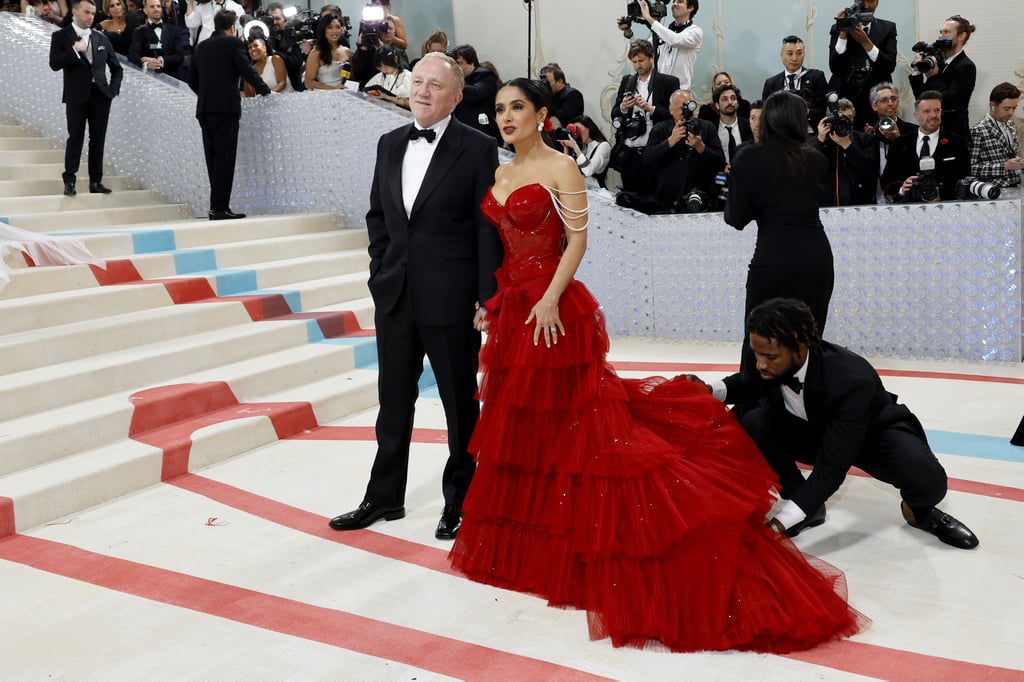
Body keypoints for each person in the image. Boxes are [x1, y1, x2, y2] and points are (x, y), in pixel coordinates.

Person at [448, 77, 864, 654]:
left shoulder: (561, 169)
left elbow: (575, 243)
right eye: (498, 109)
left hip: (553, 308)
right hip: (513, 307)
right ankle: (544, 527)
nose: (506, 116)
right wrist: (491, 304)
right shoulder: (498, 174)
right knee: (526, 421)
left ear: (542, 113)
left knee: (575, 417)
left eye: (517, 106)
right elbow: (502, 246)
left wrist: (547, 297)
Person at [327, 53, 503, 541]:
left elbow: (486, 230)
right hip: (396, 295)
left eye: (435, 85)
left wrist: (486, 297)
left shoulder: (478, 148)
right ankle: (383, 496)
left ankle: (461, 500)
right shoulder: (388, 143)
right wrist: (379, 273)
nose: (422, 92)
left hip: (451, 298)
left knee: (458, 404)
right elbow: (378, 218)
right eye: (417, 82)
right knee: (393, 402)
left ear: (456, 96)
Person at [709, 297, 979, 549]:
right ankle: (806, 503)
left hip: (873, 436)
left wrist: (780, 523)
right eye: (757, 355)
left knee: (928, 479)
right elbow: (748, 382)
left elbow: (833, 465)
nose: (760, 364)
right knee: (752, 420)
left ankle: (920, 512)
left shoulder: (851, 378)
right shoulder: (769, 359)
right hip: (812, 431)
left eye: (769, 358)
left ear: (800, 348)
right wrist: (709, 389)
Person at [725, 91, 833, 346]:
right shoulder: (817, 159)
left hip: (773, 258)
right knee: (807, 341)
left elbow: (736, 218)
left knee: (761, 342)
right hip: (816, 259)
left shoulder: (747, 157)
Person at [186, 8, 271, 220]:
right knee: (225, 158)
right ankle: (220, 208)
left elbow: (191, 80)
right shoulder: (232, 43)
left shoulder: (201, 47)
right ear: (233, 27)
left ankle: (216, 207)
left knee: (213, 159)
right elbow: (247, 71)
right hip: (226, 108)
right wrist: (266, 91)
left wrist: (206, 95)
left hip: (204, 109)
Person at [49, 0, 123, 197]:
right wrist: (74, 50)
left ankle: (96, 181)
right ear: (74, 12)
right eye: (86, 12)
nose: (91, 16)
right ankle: (70, 180)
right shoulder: (60, 36)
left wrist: (112, 90)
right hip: (76, 95)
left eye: (93, 13)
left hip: (101, 96)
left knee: (98, 139)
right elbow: (54, 64)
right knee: (75, 137)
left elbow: (117, 68)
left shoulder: (101, 39)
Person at [610, 39, 679, 193]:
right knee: (630, 197)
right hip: (630, 151)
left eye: (641, 60)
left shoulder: (668, 82)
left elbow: (674, 116)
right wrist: (623, 107)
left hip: (657, 151)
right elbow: (614, 113)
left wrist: (650, 108)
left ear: (651, 57)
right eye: (634, 61)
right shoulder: (627, 81)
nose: (638, 65)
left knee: (655, 198)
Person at [641, 88, 725, 213]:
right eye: (682, 108)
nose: (686, 111)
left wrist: (701, 147)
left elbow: (720, 162)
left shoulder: (707, 128)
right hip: (664, 203)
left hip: (699, 201)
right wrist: (670, 141)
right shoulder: (660, 129)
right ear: (671, 110)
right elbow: (647, 160)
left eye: (689, 106)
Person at [879, 91, 970, 202]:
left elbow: (966, 179)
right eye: (926, 111)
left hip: (946, 209)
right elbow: (886, 182)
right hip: (908, 210)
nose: (933, 115)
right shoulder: (900, 143)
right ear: (916, 115)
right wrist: (902, 189)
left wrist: (943, 194)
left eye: (937, 110)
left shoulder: (957, 143)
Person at [826, 0, 897, 130]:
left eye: (870, 1)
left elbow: (889, 66)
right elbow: (834, 67)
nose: (866, 6)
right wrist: (843, 32)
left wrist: (866, 42)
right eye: (861, 1)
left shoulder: (888, 28)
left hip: (874, 98)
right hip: (846, 96)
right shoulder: (838, 28)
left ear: (877, 2)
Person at [908, 15, 976, 143]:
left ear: (962, 36)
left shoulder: (966, 67)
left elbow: (948, 101)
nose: (941, 36)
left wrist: (932, 77)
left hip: (954, 135)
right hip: (930, 133)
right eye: (941, 32)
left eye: (947, 32)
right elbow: (922, 99)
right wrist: (917, 72)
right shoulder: (938, 61)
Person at [618, 0, 702, 91]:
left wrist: (648, 17)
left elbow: (675, 40)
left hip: (679, 91)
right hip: (659, 91)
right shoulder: (665, 33)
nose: (674, 4)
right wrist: (628, 32)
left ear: (690, 8)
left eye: (680, 1)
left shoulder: (695, 32)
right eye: (674, 1)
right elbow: (639, 51)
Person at [814, 97, 878, 206]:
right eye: (841, 118)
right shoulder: (819, 141)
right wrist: (820, 140)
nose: (845, 121)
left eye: (849, 117)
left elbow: (870, 169)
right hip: (826, 203)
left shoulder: (866, 139)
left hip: (859, 203)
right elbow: (810, 169)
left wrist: (847, 145)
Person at [863, 82, 917, 201]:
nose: (890, 103)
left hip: (903, 193)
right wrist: (869, 140)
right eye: (884, 100)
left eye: (893, 99)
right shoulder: (869, 133)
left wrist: (898, 139)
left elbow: (913, 163)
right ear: (874, 106)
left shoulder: (912, 131)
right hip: (874, 194)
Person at [762, 35, 828, 131]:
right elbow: (766, 114)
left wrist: (805, 111)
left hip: (810, 133)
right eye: (790, 53)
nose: (794, 58)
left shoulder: (816, 77)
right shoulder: (771, 83)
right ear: (781, 55)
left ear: (804, 54)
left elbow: (823, 110)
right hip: (781, 135)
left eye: (799, 53)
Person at [969, 82, 1024, 188]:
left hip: (1014, 185)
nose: (1011, 113)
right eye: (1007, 108)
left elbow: (1010, 156)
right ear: (992, 106)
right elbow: (972, 168)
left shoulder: (1011, 126)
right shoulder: (978, 131)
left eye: (1014, 108)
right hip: (992, 191)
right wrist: (1004, 166)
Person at [128, 0, 190, 80]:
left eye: (158, 6)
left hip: (173, 78)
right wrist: (146, 63)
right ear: (145, 10)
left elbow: (179, 56)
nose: (156, 9)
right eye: (152, 6)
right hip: (148, 79)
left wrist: (160, 61)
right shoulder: (139, 32)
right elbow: (132, 54)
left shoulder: (173, 30)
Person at [452, 44, 499, 142]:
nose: (456, 68)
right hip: (463, 131)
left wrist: (455, 80)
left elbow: (476, 94)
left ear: (471, 64)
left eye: (459, 63)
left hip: (483, 133)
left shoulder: (484, 75)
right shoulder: (463, 80)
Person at [560, 114, 611, 190]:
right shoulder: (583, 147)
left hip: (597, 193)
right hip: (580, 189)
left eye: (578, 129)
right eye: (574, 131)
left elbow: (588, 170)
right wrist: (566, 147)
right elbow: (567, 170)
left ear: (589, 128)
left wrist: (576, 148)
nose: (577, 133)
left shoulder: (603, 146)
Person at [303, 13, 352, 91]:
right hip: (324, 96)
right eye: (330, 27)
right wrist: (333, 89)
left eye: (338, 27)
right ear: (324, 30)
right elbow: (308, 82)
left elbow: (351, 77)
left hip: (346, 94)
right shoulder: (316, 53)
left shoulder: (347, 51)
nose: (335, 31)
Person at [713, 83, 752, 165]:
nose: (730, 102)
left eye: (733, 98)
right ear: (717, 105)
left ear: (737, 103)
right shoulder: (711, 128)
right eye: (725, 99)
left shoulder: (749, 125)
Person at [539, 63, 584, 127]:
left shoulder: (573, 95)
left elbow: (557, 121)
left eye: (547, 82)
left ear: (559, 82)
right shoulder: (551, 95)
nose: (544, 85)